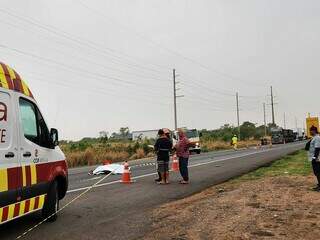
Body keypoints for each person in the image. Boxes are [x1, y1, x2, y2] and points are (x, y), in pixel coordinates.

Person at [307, 126, 320, 191]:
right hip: (314, 158)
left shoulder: (317, 138)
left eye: (310, 131)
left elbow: (317, 148)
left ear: (314, 131)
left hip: (316, 158)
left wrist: (314, 158)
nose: (310, 132)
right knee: (316, 172)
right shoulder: (314, 137)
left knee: (317, 172)